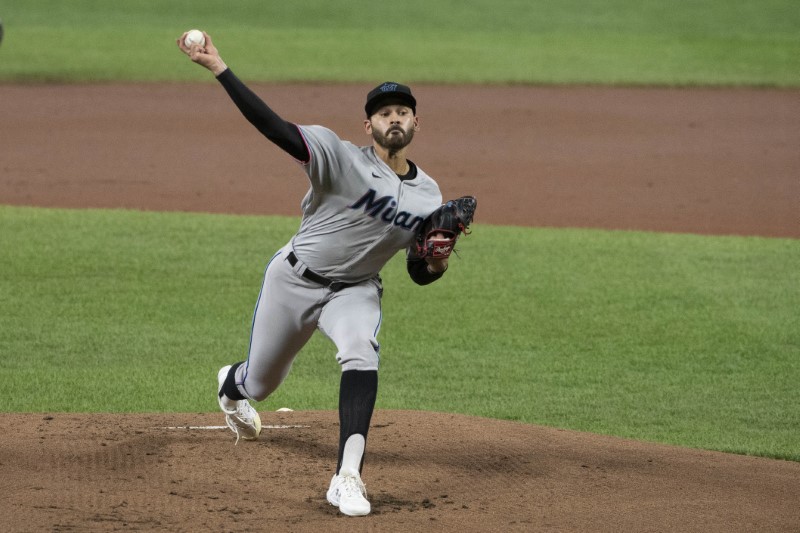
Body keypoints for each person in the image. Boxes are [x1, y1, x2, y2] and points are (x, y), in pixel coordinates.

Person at [177, 31, 453, 517]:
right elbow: (276, 128)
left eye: (403, 112)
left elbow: (419, 270)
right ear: (367, 125)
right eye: (384, 112)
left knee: (361, 353)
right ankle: (232, 386)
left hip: (356, 291)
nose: (394, 118)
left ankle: (348, 477)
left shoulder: (430, 196)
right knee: (260, 384)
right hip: (294, 279)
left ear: (415, 123)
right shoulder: (337, 155)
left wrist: (437, 257)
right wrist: (221, 69)